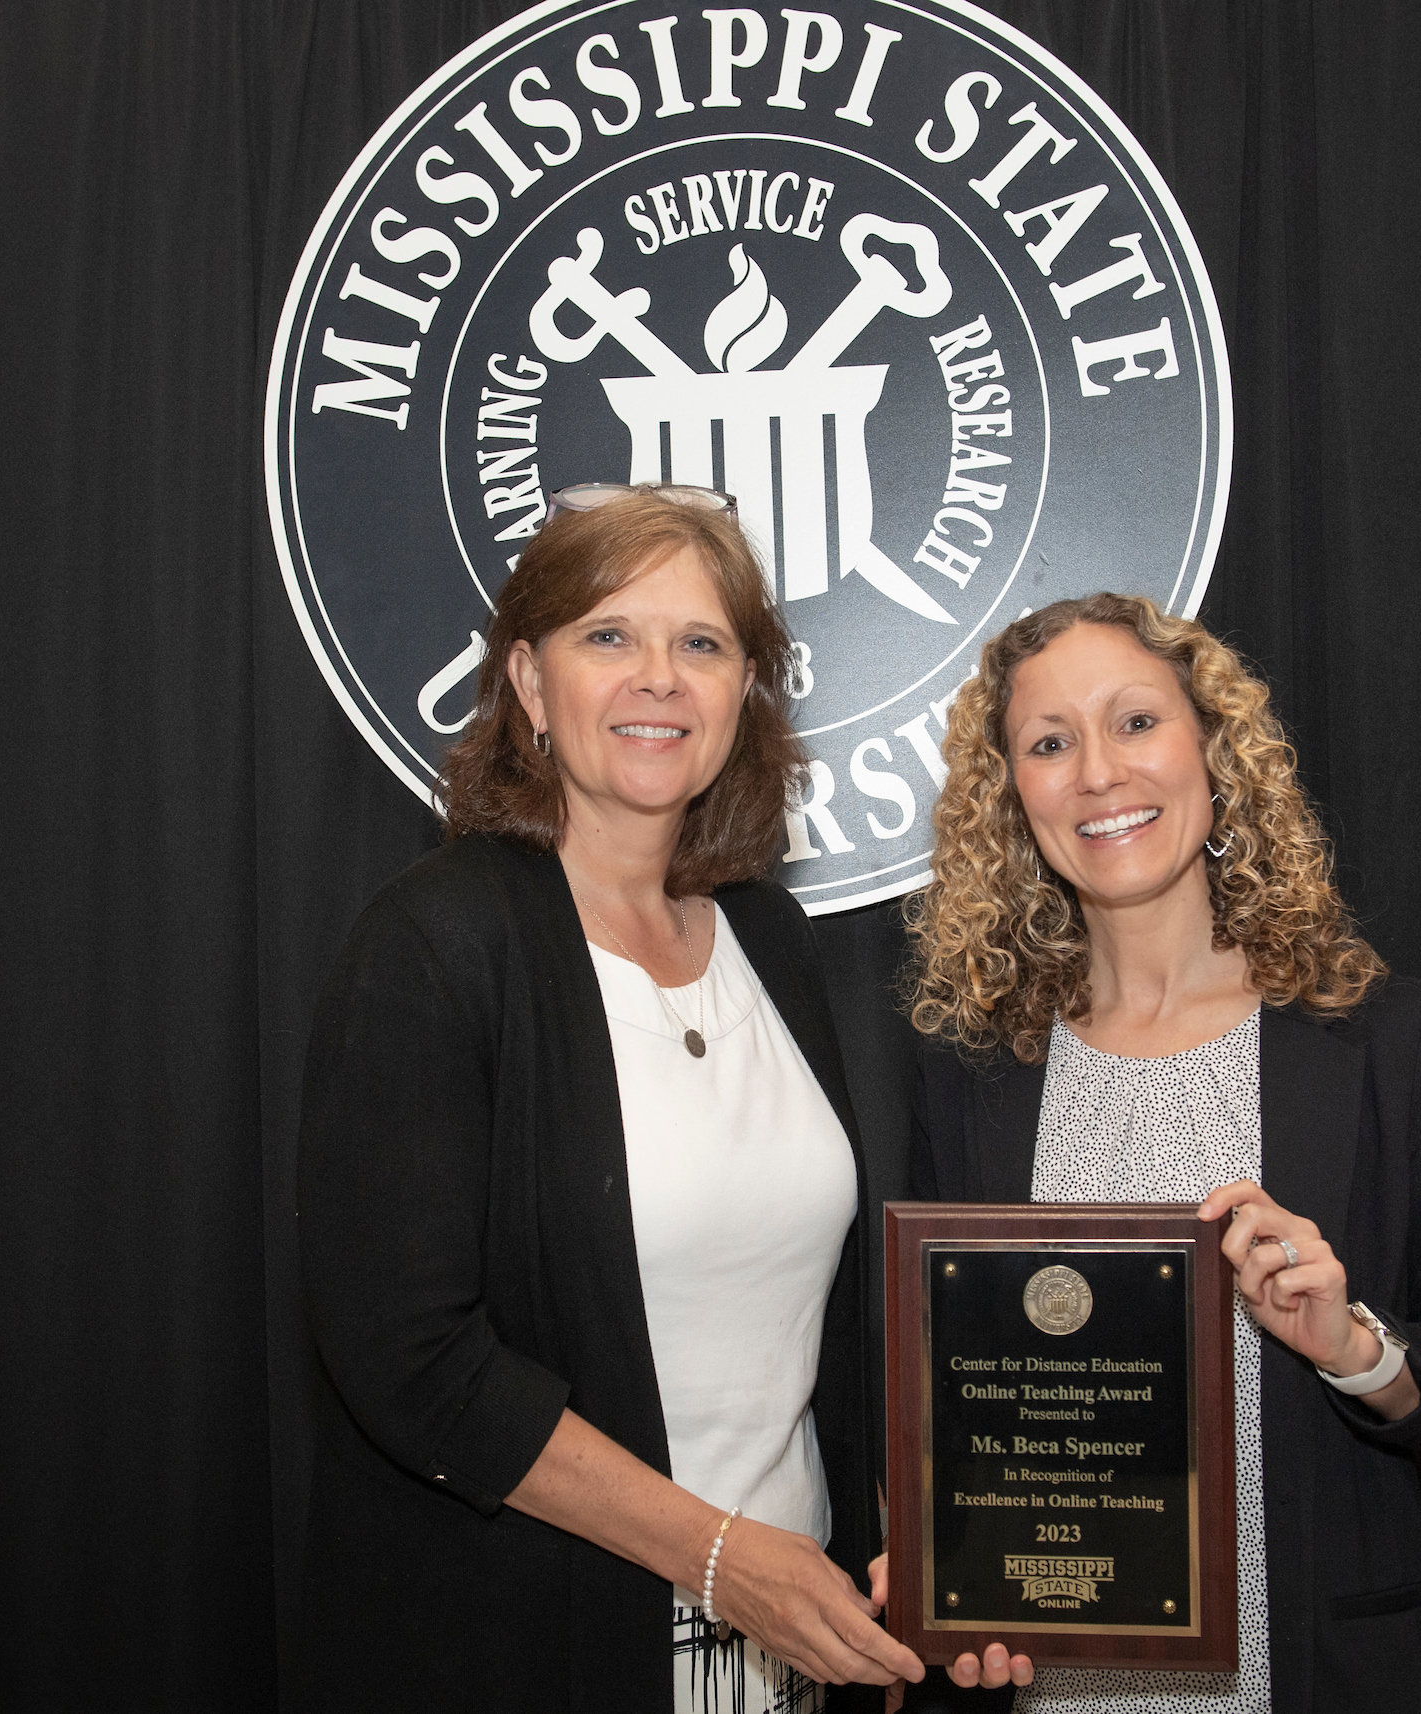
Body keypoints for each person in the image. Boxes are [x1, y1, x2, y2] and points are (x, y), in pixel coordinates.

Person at [294, 484, 925, 1713]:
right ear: (530, 684)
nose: (659, 678)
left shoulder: (771, 941)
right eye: (608, 637)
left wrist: (873, 1571)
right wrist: (718, 1557)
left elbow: (822, 1325)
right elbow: (412, 1359)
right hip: (537, 1651)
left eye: (701, 643)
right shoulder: (436, 946)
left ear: (745, 690)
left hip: (787, 1658)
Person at [879, 593, 1421, 1713]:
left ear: (1211, 747)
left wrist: (1355, 1345)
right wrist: (947, 1566)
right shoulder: (972, 1078)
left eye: (1135, 721)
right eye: (1050, 743)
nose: (1098, 771)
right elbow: (953, 1414)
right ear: (1011, 799)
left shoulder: (1384, 1041)